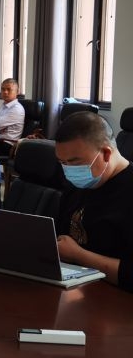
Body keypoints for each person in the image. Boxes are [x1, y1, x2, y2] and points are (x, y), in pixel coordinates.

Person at [54, 112, 133, 291]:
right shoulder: (77, 185)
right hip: (71, 287)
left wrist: (79, 255)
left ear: (106, 154)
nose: (68, 171)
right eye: (62, 163)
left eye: (75, 163)